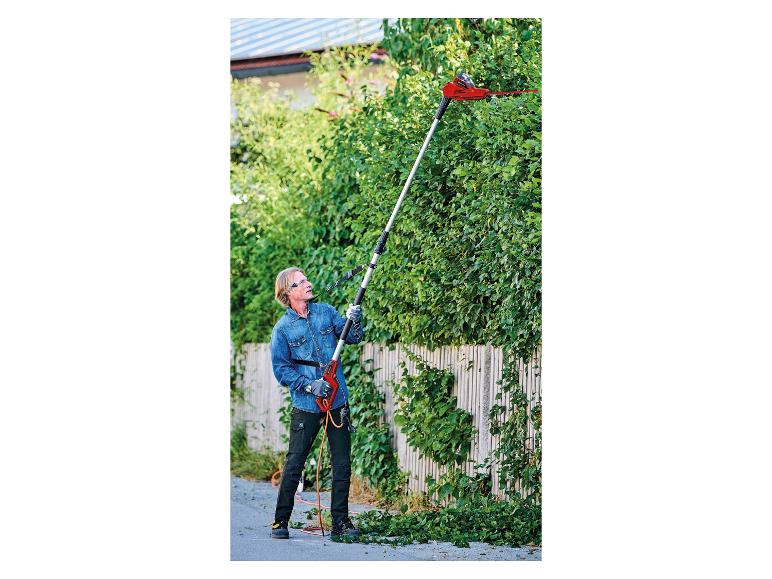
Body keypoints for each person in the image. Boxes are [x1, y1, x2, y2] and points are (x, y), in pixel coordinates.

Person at [269, 267, 363, 539]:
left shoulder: (326, 312)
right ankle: (280, 521)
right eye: (302, 281)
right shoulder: (283, 329)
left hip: (337, 400)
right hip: (306, 404)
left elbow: (354, 337)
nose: (309, 283)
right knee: (295, 462)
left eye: (307, 279)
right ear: (290, 292)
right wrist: (310, 384)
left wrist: (355, 320)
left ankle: (341, 523)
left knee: (342, 463)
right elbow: (281, 370)